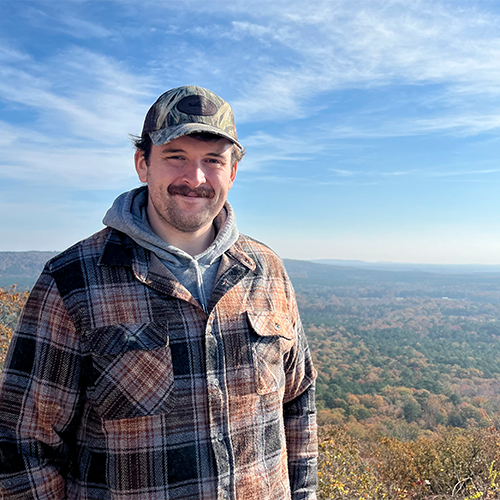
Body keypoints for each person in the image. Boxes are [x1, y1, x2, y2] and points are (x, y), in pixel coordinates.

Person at [0, 85, 317, 499]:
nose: (195, 177)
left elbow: (298, 400)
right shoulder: (74, 280)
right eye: (176, 157)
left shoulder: (268, 272)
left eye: (213, 161)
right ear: (143, 164)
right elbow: (23, 441)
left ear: (233, 173)